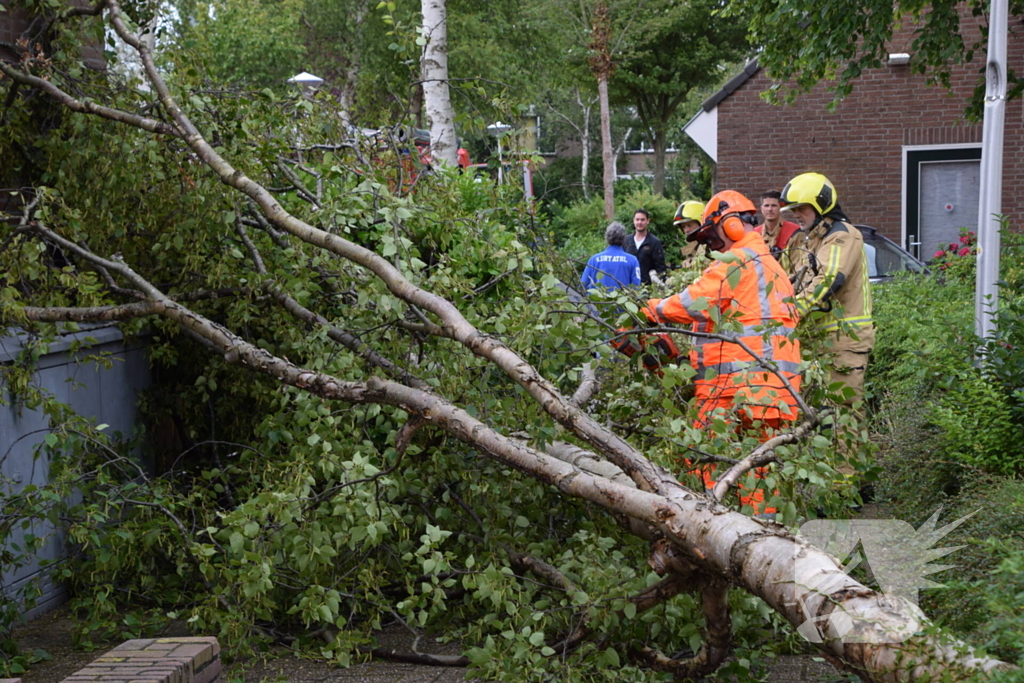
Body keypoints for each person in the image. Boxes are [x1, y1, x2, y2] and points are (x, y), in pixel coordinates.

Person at [643, 190, 802, 513]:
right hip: (777, 392)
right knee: (759, 475)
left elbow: (692, 302)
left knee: (701, 455)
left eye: (714, 240)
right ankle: (763, 542)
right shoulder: (771, 266)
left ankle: (715, 532)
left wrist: (651, 309)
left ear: (730, 226)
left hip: (736, 388)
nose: (714, 249)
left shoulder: (738, 260)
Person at [780, 172, 873, 406]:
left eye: (802, 208)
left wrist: (791, 312)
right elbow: (797, 281)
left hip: (843, 341)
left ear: (821, 205)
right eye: (794, 210)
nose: (796, 215)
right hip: (821, 339)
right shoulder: (814, 240)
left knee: (843, 412)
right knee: (822, 416)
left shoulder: (842, 235)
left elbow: (829, 278)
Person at [580, 221, 642, 292]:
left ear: (607, 238)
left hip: (597, 302)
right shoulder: (632, 260)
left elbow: (583, 285)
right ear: (624, 239)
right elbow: (636, 287)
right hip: (622, 302)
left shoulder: (594, 260)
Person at [754, 190, 803, 270]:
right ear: (761, 209)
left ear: (781, 208)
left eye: (774, 205)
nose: (770, 209)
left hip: (788, 281)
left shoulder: (794, 232)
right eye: (766, 206)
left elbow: (799, 266)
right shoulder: (754, 234)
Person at [623, 208, 666, 285]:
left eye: (642, 220)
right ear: (633, 220)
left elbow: (660, 268)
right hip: (628, 286)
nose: (639, 222)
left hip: (647, 288)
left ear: (648, 221)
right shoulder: (626, 241)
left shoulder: (654, 242)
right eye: (637, 219)